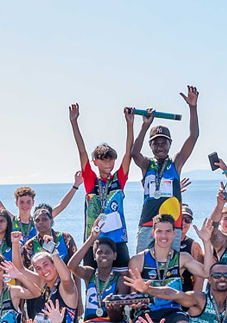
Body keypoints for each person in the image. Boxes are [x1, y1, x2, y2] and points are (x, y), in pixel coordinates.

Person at [126, 90, 200, 253]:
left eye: (163, 143)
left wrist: (192, 107)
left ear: (170, 144)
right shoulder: (146, 164)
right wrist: (145, 126)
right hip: (148, 224)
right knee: (143, 262)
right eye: (156, 143)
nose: (160, 147)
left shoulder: (176, 163)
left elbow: (193, 136)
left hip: (172, 225)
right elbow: (134, 153)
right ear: (150, 145)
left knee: (170, 263)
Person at [69, 103, 135, 266]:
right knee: (90, 275)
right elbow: (82, 152)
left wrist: (130, 124)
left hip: (117, 238)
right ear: (96, 162)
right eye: (104, 159)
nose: (108, 163)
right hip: (94, 239)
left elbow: (128, 153)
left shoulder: (119, 179)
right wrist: (74, 122)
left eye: (111, 159)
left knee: (123, 274)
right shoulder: (91, 180)